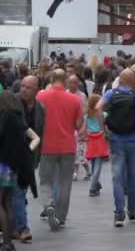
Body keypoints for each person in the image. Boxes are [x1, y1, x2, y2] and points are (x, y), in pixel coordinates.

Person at [95, 69, 135, 228]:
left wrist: (103, 129)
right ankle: (132, 210)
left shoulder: (111, 94)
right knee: (133, 177)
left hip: (115, 140)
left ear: (120, 80)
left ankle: (119, 212)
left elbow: (98, 108)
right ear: (134, 81)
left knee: (117, 177)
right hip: (133, 140)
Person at [0, 91, 40, 251]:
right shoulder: (18, 117)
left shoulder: (5, 115)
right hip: (13, 166)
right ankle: (11, 234)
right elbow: (33, 137)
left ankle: (7, 241)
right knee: (8, 203)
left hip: (0, 164)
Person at [36, 69, 83, 232]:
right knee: (65, 183)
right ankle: (60, 217)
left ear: (51, 78)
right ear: (66, 81)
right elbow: (78, 125)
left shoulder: (41, 97)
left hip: (47, 145)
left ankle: (48, 204)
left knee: (45, 180)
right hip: (67, 145)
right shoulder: (75, 99)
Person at [12, 76, 45, 243]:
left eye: (28, 87)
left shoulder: (41, 108)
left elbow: (41, 134)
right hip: (12, 154)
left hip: (29, 156)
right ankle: (22, 227)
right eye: (22, 86)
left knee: (20, 192)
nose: (23, 89)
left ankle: (17, 226)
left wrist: (37, 158)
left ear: (36, 90)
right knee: (17, 192)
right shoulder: (13, 102)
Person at [82, 94, 109, 197]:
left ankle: (96, 184)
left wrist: (84, 137)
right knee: (98, 166)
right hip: (101, 139)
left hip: (91, 140)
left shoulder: (86, 115)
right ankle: (93, 188)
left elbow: (84, 129)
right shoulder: (104, 114)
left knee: (93, 164)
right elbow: (106, 128)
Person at [67, 75, 90, 181]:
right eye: (71, 82)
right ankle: (76, 172)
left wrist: (84, 127)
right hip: (68, 127)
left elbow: (85, 111)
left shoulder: (82, 95)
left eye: (75, 82)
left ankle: (82, 171)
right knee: (73, 152)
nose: (73, 85)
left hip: (78, 127)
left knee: (79, 152)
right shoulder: (65, 94)